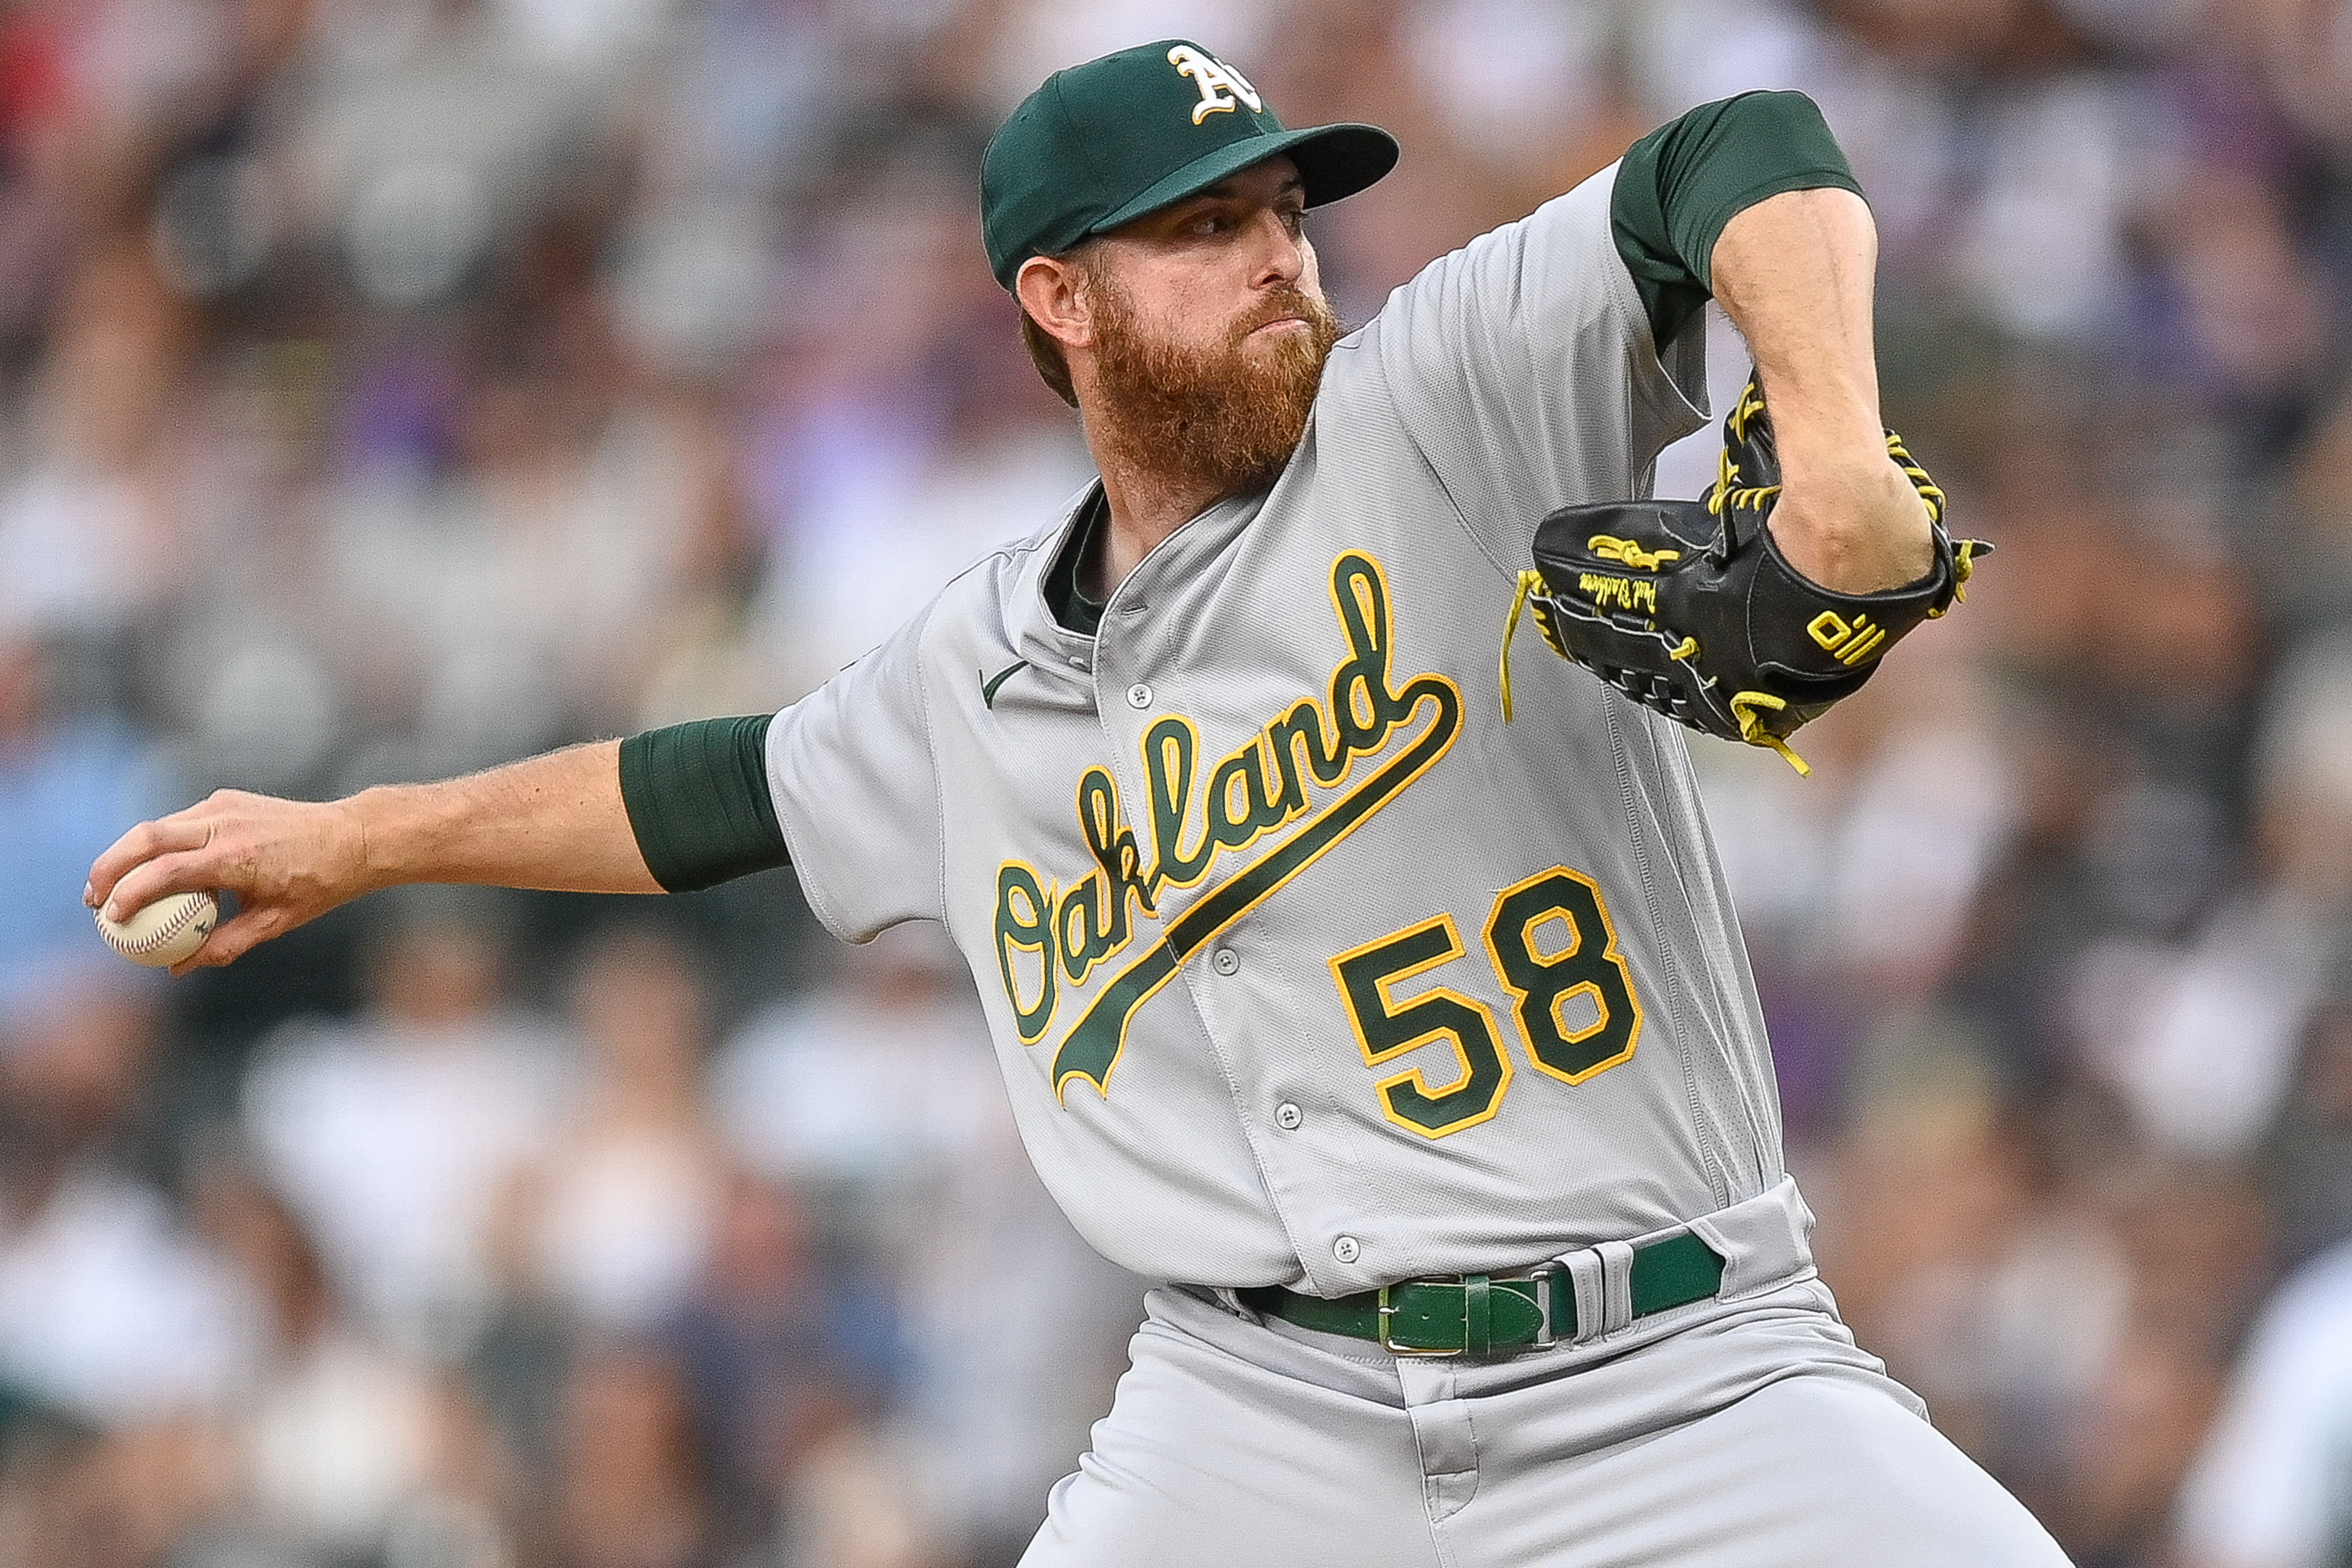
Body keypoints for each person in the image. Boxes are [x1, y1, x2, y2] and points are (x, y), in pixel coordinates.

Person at [88, 39, 2071, 1566]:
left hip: (1679, 1364)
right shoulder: (973, 670)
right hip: (1259, 1413)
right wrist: (353, 838)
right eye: (1205, 230)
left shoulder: (1436, 407)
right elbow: (706, 792)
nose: (1280, 256)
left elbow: (1740, 148)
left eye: (1289, 211)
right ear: (1061, 298)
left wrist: (1828, 447)